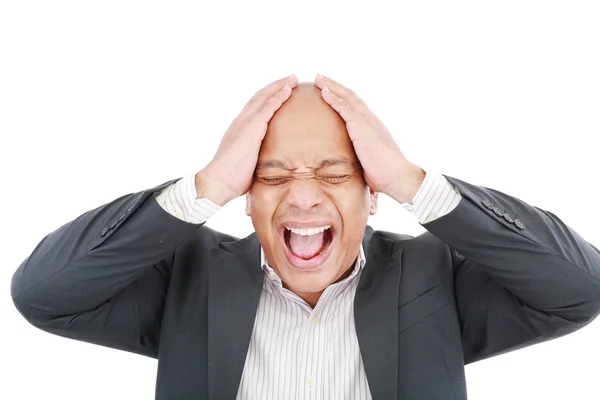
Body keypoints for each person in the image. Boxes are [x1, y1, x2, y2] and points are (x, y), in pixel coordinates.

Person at [10, 73, 600, 400]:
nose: (303, 196)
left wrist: (409, 181)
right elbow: (45, 292)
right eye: (271, 176)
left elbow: (578, 287)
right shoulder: (189, 279)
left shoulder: (431, 277)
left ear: (371, 196)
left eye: (336, 174)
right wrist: (206, 184)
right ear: (246, 197)